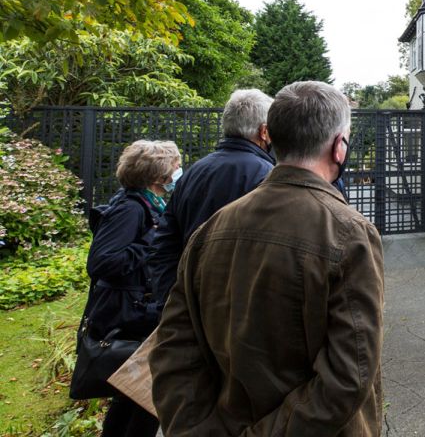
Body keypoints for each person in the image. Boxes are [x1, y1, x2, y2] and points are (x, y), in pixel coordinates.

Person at [150, 81, 385, 436]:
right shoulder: (349, 233)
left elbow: (173, 352)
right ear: (339, 146)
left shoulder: (211, 229)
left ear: (271, 137)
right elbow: (350, 375)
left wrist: (195, 429)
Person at [82, 139, 181, 437]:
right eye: (176, 167)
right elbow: (101, 261)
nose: (179, 172)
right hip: (129, 314)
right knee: (143, 397)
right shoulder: (131, 209)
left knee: (133, 397)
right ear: (158, 177)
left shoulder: (148, 204)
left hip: (137, 309)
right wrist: (148, 242)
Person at [150, 88, 274, 305]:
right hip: (236, 306)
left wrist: (168, 301)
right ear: (264, 132)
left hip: (187, 298)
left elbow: (166, 241)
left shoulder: (196, 171)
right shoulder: (267, 174)